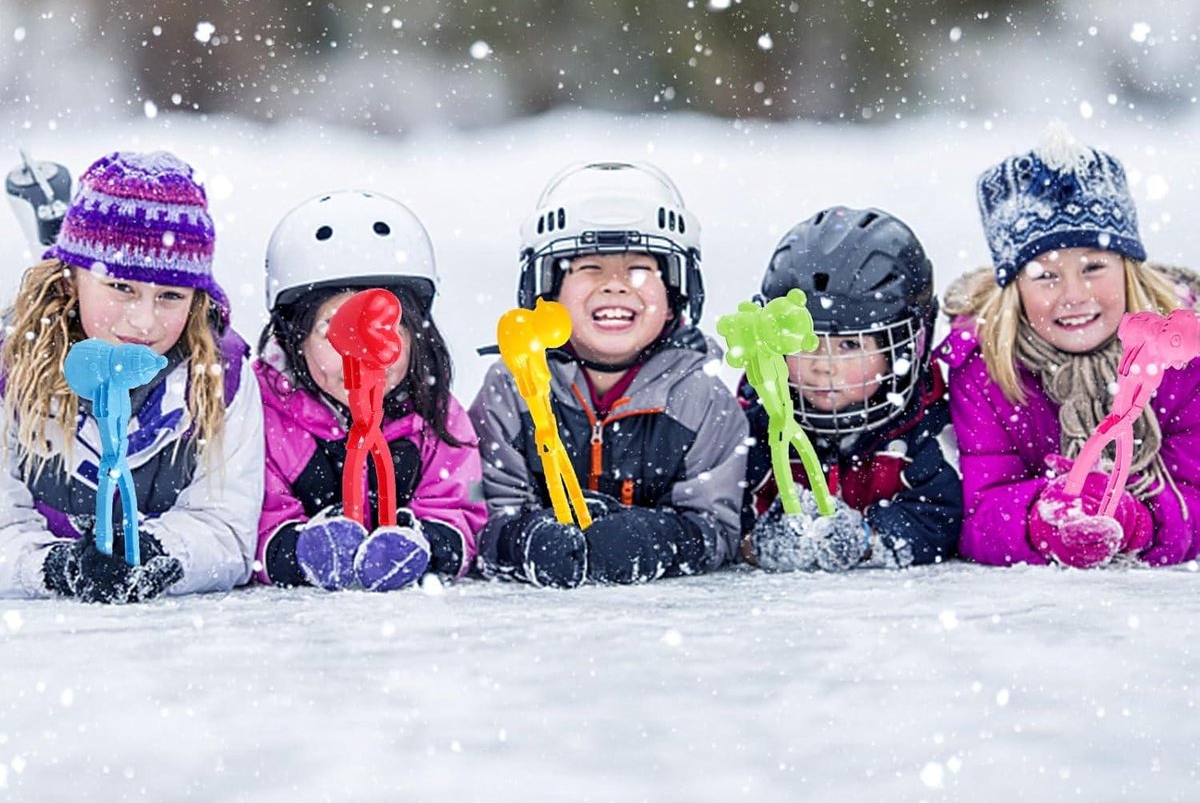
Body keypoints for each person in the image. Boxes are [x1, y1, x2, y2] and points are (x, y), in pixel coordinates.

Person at [0, 150, 264, 602]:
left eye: (170, 295)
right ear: (70, 280)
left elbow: (226, 528)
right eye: (121, 287)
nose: (144, 322)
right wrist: (56, 567)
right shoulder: (12, 367)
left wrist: (155, 551)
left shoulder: (221, 378)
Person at [471, 161, 748, 588]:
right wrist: (526, 540)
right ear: (547, 293)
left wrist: (651, 539)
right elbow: (486, 518)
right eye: (589, 268)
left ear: (675, 295)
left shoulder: (702, 400)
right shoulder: (510, 389)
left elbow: (717, 529)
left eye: (640, 268)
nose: (615, 285)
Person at [941, 128, 1200, 568]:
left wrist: (1140, 521)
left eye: (1093, 267)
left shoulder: (1182, 358)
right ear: (1015, 288)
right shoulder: (986, 370)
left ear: (1128, 269)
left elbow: (1195, 492)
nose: (1074, 295)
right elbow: (979, 513)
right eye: (1046, 275)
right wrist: (1041, 519)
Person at [255, 190, 486, 591]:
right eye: (334, 329)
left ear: (415, 335)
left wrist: (424, 542)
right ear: (294, 338)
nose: (360, 354)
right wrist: (301, 551)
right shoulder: (263, 414)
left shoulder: (436, 416)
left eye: (383, 328)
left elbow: (459, 512)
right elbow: (257, 521)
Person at [743, 207, 961, 571]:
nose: (822, 365)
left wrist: (867, 538)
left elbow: (940, 518)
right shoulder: (756, 421)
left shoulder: (928, 425)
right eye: (803, 342)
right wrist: (759, 538)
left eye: (849, 345)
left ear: (904, 349)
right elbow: (725, 513)